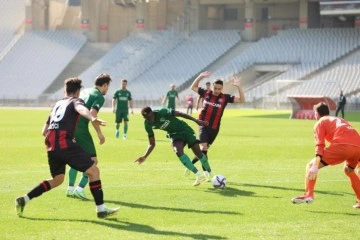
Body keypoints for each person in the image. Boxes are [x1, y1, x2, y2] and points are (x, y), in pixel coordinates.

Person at [15, 77, 119, 218]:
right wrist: (92, 117)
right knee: (94, 171)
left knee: (57, 179)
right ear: (78, 91)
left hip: (51, 146)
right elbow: (81, 109)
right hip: (65, 144)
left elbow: (44, 131)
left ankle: (24, 199)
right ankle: (101, 210)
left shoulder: (57, 104)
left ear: (65, 90)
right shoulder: (76, 101)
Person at [291, 102, 360, 209]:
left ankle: (309, 194)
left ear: (317, 114)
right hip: (358, 146)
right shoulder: (339, 119)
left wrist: (315, 164)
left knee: (310, 166)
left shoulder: (320, 122)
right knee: (349, 170)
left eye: (315, 113)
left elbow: (320, 144)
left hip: (343, 146)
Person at [187, 71, 245, 180]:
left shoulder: (225, 98)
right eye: (216, 88)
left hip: (215, 128)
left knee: (204, 151)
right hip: (203, 125)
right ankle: (206, 172)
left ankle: (191, 164)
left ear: (222, 88)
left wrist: (239, 87)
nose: (217, 91)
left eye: (219, 89)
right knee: (203, 147)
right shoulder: (206, 93)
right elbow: (193, 87)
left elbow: (242, 100)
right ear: (213, 87)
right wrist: (200, 76)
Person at [135, 106, 212, 186]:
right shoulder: (147, 124)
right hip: (174, 135)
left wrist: (196, 120)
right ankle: (198, 174)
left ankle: (210, 173)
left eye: (150, 117)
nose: (149, 119)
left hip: (185, 129)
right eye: (146, 118)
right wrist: (145, 156)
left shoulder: (162, 112)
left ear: (152, 113)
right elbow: (152, 143)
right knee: (178, 151)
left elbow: (180, 114)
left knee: (198, 153)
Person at [66, 73, 112, 200]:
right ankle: (79, 189)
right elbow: (93, 115)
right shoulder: (98, 97)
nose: (107, 89)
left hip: (70, 126)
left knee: (75, 159)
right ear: (104, 85)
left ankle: (70, 189)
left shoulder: (85, 91)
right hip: (81, 129)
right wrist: (99, 133)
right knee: (93, 161)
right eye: (108, 87)